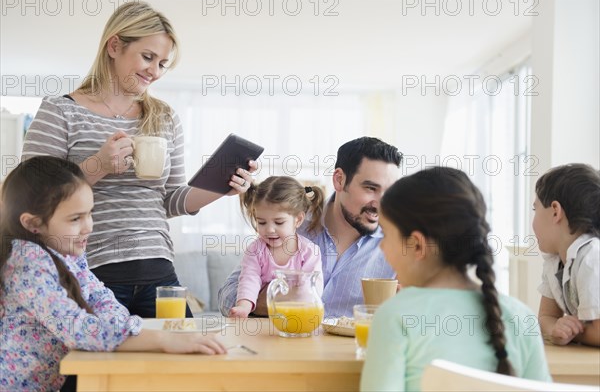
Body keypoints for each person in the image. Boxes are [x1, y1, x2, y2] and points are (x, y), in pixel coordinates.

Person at [20, 1, 256, 317]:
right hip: (91, 271)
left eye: (162, 63)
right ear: (114, 45)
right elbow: (29, 192)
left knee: (184, 361)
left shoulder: (164, 117)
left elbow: (171, 199)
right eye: (148, 57)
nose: (154, 71)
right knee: (95, 366)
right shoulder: (61, 111)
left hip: (159, 271)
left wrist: (221, 188)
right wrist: (98, 165)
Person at [0, 157, 226, 392]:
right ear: (32, 223)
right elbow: (77, 328)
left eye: (90, 213)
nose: (88, 226)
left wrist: (134, 330)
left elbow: (102, 299)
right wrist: (163, 339)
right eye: (75, 218)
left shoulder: (69, 254)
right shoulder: (27, 261)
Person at [360, 167, 552, 392]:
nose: (381, 247)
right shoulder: (522, 317)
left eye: (385, 235)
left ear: (417, 245)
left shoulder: (394, 316)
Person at [219, 137, 403, 318]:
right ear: (339, 180)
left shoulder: (399, 246)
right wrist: (275, 299)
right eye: (371, 188)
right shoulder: (289, 225)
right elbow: (227, 298)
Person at [229, 176, 325, 318]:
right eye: (261, 222)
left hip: (297, 316)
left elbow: (312, 289)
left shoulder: (310, 252)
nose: (269, 230)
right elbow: (249, 279)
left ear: (298, 219)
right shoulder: (255, 250)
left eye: (279, 222)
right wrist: (243, 307)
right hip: (261, 320)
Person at [533, 163, 600, 347]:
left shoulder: (592, 256)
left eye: (535, 209)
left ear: (555, 211)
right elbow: (546, 316)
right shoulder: (554, 261)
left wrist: (572, 333)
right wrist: (556, 328)